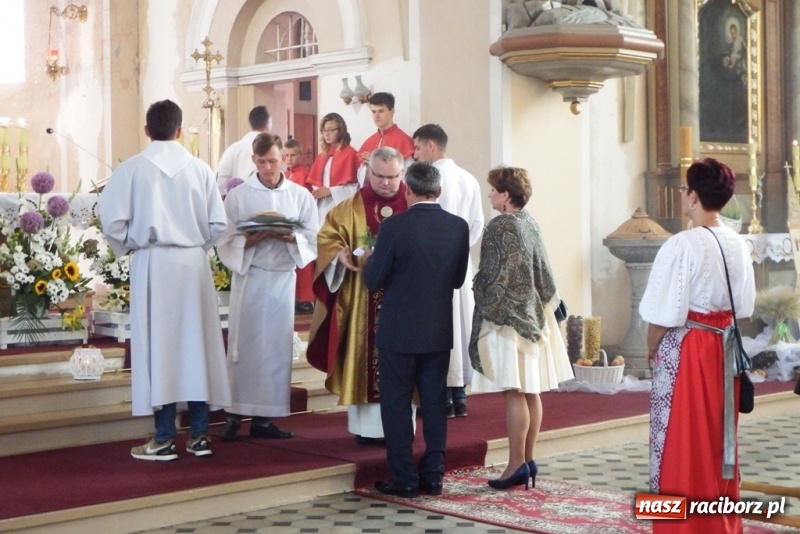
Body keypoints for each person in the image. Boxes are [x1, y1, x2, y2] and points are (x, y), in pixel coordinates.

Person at [99, 99, 231, 461]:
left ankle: (163, 438)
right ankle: (200, 435)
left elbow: (111, 222)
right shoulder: (200, 169)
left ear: (147, 130)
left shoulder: (132, 170)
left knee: (160, 349)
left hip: (154, 263)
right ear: (179, 130)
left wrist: (132, 245)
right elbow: (218, 225)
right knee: (197, 346)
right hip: (192, 265)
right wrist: (193, 244)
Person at [639, 158, 755, 534]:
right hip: (724, 351)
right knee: (719, 444)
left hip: (689, 352)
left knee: (683, 445)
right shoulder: (738, 242)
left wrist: (652, 351)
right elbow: (745, 306)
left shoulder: (682, 244)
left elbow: (660, 316)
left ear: (692, 196)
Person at [363, 161, 470, 498]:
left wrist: (369, 258)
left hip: (399, 330)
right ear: (439, 192)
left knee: (395, 404)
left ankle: (405, 478)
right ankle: (434, 475)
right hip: (437, 330)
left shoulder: (395, 227)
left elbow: (373, 280)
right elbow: (457, 280)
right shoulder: (458, 226)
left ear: (406, 190)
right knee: (435, 403)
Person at [469, 166, 573, 489]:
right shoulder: (529, 222)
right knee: (530, 390)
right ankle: (528, 459)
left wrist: (478, 292)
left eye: (493, 190)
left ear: (506, 195)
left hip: (507, 320)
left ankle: (515, 464)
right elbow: (544, 268)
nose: (489, 195)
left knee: (514, 390)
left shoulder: (501, 227)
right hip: (532, 316)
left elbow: (492, 276)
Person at [215, 133, 318, 442]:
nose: (268, 168)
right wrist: (249, 239)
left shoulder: (300, 195)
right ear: (253, 161)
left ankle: (264, 417)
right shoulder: (239, 196)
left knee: (275, 348)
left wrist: (293, 238)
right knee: (243, 349)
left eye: (273, 161)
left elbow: (313, 235)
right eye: (262, 162)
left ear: (283, 159)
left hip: (282, 278)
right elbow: (225, 238)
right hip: (251, 277)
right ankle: (234, 415)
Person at [306, 146, 409, 446]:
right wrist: (338, 254)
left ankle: (401, 426)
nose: (386, 183)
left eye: (393, 176)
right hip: (361, 298)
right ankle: (367, 428)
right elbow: (327, 236)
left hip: (404, 301)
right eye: (379, 176)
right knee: (365, 355)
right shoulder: (348, 207)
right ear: (368, 172)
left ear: (401, 173)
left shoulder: (413, 204)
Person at [412, 124, 484, 418]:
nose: (414, 154)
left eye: (416, 148)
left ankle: (442, 394)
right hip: (461, 263)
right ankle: (460, 395)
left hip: (433, 267)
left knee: (439, 329)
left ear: (431, 145)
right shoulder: (469, 178)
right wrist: (459, 249)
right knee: (460, 327)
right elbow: (477, 223)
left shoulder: (429, 179)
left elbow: (425, 223)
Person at [306, 113, 360, 224]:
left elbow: (356, 187)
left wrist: (331, 191)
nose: (327, 134)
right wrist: (318, 191)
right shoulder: (323, 155)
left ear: (340, 131)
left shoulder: (350, 154)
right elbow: (315, 180)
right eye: (324, 130)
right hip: (323, 206)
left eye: (331, 130)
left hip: (341, 205)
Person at [283, 138, 315, 313]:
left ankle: (306, 298)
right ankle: (295, 297)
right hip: (289, 222)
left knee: (303, 262)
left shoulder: (303, 173)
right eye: (286, 155)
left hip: (300, 222)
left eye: (293, 155)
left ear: (300, 155)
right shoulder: (286, 174)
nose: (289, 159)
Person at [356, 92, 415, 185]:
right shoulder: (369, 142)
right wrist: (369, 167)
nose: (376, 116)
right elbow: (361, 178)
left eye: (381, 111)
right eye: (373, 111)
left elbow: (408, 176)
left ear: (392, 112)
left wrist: (378, 163)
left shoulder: (404, 141)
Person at [216, 105, 272, 195]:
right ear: (267, 124)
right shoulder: (272, 149)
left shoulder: (233, 148)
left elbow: (219, 180)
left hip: (235, 202)